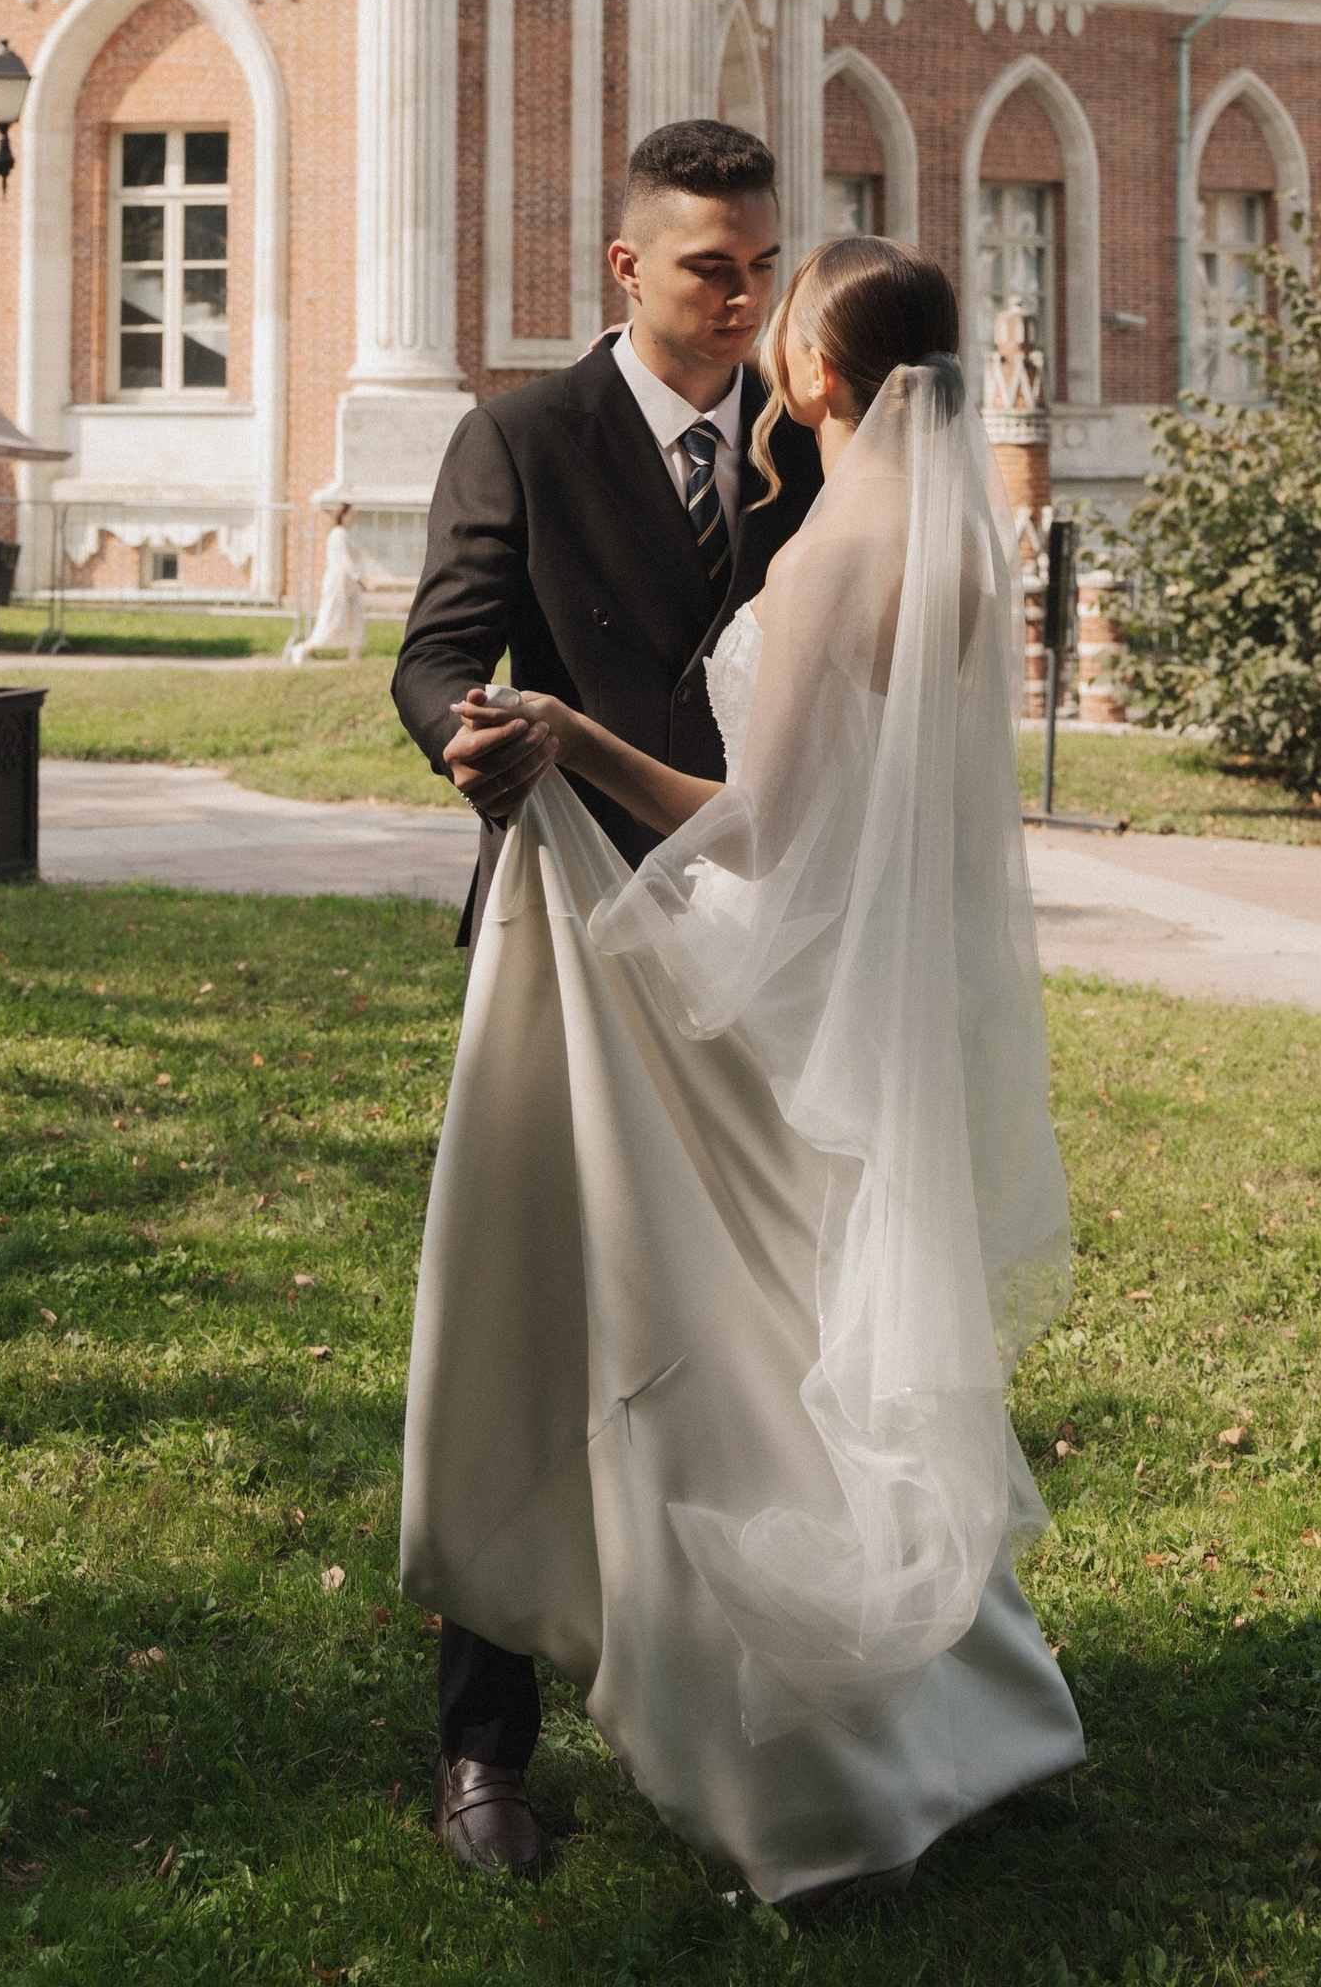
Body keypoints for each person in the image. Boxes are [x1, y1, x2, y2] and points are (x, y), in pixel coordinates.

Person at [401, 235, 1083, 1904]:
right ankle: (944, 1724)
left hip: (778, 989)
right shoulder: (958, 543)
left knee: (718, 1354)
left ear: (817, 373)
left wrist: (566, 736)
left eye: (784, 309)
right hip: (867, 989)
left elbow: (754, 823)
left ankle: (808, 1752)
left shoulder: (839, 546)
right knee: (815, 1358)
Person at [392, 118, 827, 1878]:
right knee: (545, 1328)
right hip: (574, 949)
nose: (742, 301)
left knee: (774, 1337)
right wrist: (473, 742)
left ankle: (756, 1696)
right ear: (625, 270)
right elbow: (437, 649)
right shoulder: (523, 433)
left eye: (761, 265)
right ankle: (485, 1743)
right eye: (709, 267)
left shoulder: (814, 448)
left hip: (778, 949)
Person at [287, 501, 370, 663]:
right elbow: (346, 562)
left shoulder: (346, 534)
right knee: (332, 620)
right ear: (343, 515)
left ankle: (354, 658)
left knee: (356, 618)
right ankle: (302, 649)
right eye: (351, 514)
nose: (354, 517)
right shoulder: (337, 534)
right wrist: (364, 580)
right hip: (338, 585)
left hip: (349, 585)